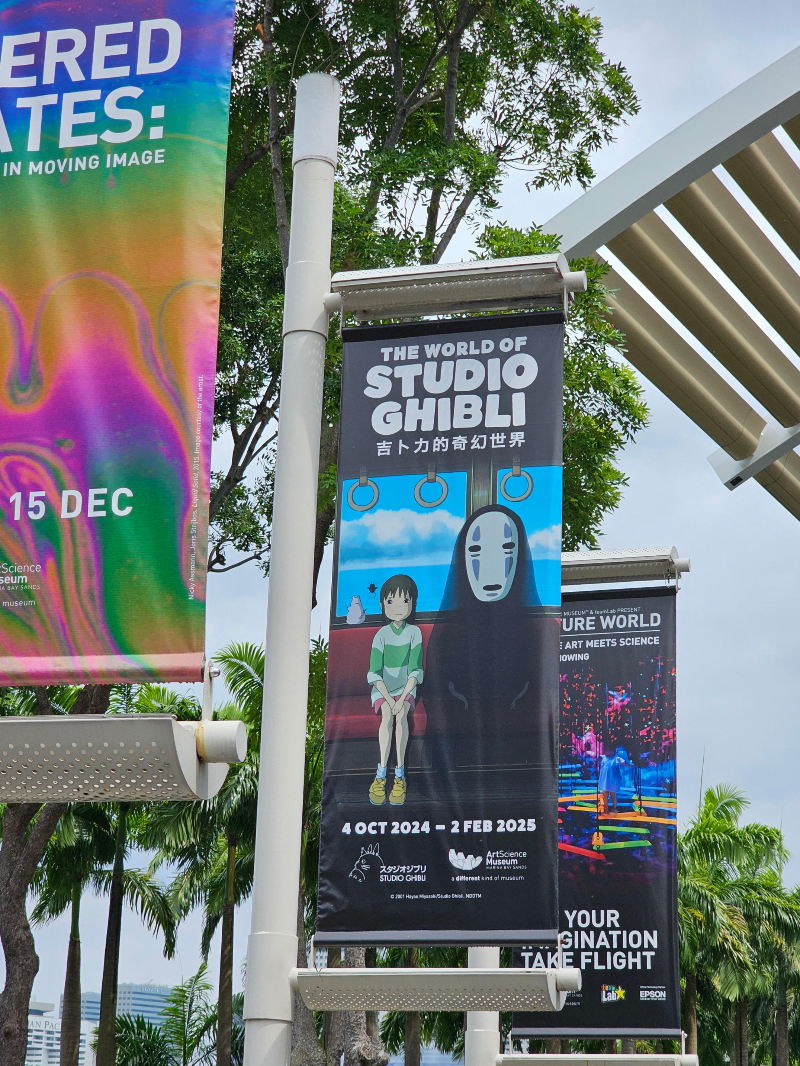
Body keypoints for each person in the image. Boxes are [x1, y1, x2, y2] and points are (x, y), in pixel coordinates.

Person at [367, 574, 423, 807]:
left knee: (401, 717)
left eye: (404, 600)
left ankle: (399, 776)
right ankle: (380, 776)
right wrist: (390, 700)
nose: (398, 607)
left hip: (406, 689)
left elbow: (415, 671)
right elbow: (374, 674)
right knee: (387, 716)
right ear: (382, 605)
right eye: (391, 601)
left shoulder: (414, 633)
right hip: (383, 691)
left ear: (412, 604)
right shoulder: (380, 635)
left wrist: (401, 700)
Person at [598, 746, 632, 814]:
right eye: (605, 750)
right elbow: (598, 762)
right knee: (605, 794)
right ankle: (606, 808)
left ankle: (614, 808)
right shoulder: (602, 758)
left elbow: (624, 763)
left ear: (612, 751)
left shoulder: (616, 758)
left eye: (607, 750)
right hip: (605, 779)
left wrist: (632, 766)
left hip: (612, 778)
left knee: (613, 793)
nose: (606, 752)